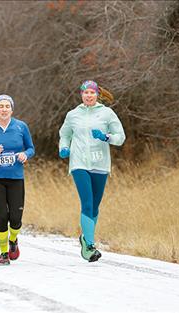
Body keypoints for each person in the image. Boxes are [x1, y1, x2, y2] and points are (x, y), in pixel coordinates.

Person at [58, 80, 125, 262]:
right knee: (87, 203)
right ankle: (90, 245)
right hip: (79, 163)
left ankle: (85, 238)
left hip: (100, 164)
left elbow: (121, 137)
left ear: (97, 94)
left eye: (92, 93)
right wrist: (64, 147)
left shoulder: (107, 113)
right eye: (85, 92)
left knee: (95, 206)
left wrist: (106, 137)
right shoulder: (73, 115)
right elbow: (65, 134)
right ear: (81, 95)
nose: (89, 95)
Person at [0, 95, 35, 266]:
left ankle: (13, 240)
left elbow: (31, 148)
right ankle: (3, 253)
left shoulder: (21, 127)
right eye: (0, 106)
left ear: (12, 109)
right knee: (2, 216)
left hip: (16, 178)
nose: (3, 109)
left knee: (16, 218)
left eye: (7, 106)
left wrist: (26, 154)